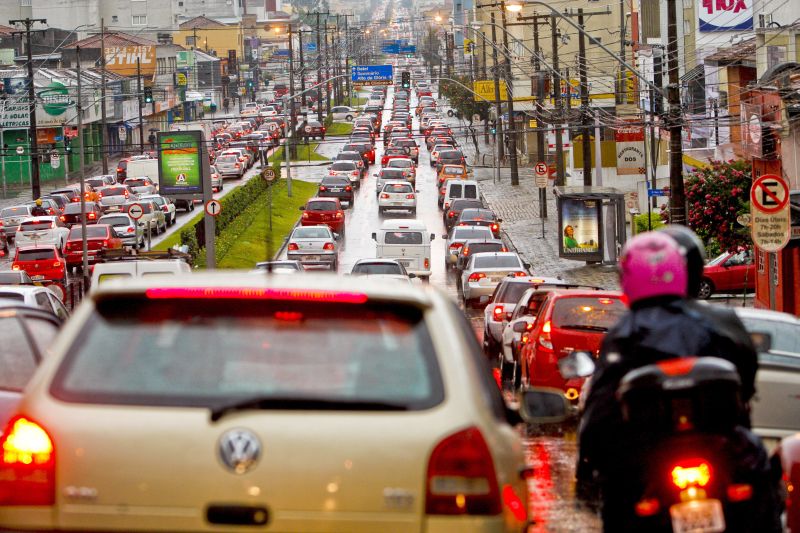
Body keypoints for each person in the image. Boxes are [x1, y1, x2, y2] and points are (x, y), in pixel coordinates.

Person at [577, 231, 782, 532]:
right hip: (720, 452)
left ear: (627, 279)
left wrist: (589, 465)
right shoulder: (718, 323)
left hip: (646, 460)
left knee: (619, 501)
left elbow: (600, 413)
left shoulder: (623, 335)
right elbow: (746, 380)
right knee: (760, 480)